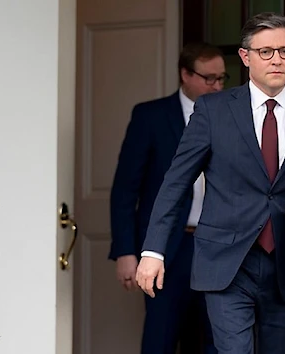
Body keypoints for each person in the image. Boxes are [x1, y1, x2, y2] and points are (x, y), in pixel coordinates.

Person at [135, 12, 285, 354]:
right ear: (245, 57)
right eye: (265, 51)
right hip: (226, 261)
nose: (276, 60)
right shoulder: (213, 110)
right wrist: (153, 251)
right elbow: (176, 182)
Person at [109, 41, 228, 354]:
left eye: (222, 79)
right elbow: (125, 188)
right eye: (209, 78)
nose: (217, 86)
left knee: (219, 340)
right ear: (185, 75)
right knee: (160, 338)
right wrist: (125, 251)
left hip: (218, 247)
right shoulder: (151, 117)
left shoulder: (232, 117)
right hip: (167, 249)